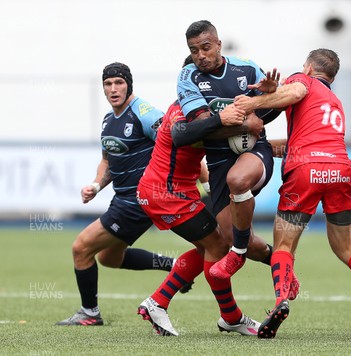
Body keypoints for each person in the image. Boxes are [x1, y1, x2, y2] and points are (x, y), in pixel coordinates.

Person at [234, 48, 351, 339]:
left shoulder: (303, 80)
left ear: (310, 68)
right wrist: (260, 147)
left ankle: (281, 302)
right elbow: (305, 140)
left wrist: (250, 105)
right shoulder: (334, 101)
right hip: (340, 169)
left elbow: (293, 92)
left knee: (284, 246)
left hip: (305, 171)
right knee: (347, 247)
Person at [136, 55, 281, 336]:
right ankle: (231, 317)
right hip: (165, 194)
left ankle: (157, 302)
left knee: (208, 246)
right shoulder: (184, 114)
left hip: (175, 192)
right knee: (218, 245)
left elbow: (240, 135)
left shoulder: (202, 114)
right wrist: (245, 124)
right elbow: (190, 135)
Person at [56, 63, 181, 326]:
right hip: (122, 199)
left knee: (81, 248)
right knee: (109, 258)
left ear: (129, 85)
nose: (113, 89)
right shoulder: (108, 120)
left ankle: (89, 313)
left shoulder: (143, 113)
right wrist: (96, 185)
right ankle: (175, 265)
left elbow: (175, 142)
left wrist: (197, 176)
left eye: (119, 83)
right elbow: (108, 160)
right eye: (108, 84)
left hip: (137, 201)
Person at [177, 20, 284, 280]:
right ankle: (279, 264)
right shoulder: (188, 77)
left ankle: (236, 253)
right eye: (194, 50)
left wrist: (269, 97)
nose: (200, 56)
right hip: (218, 162)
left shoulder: (246, 68)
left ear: (218, 44)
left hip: (255, 152)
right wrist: (244, 124)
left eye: (206, 47)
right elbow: (202, 127)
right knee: (232, 237)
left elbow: (273, 108)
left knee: (237, 180)